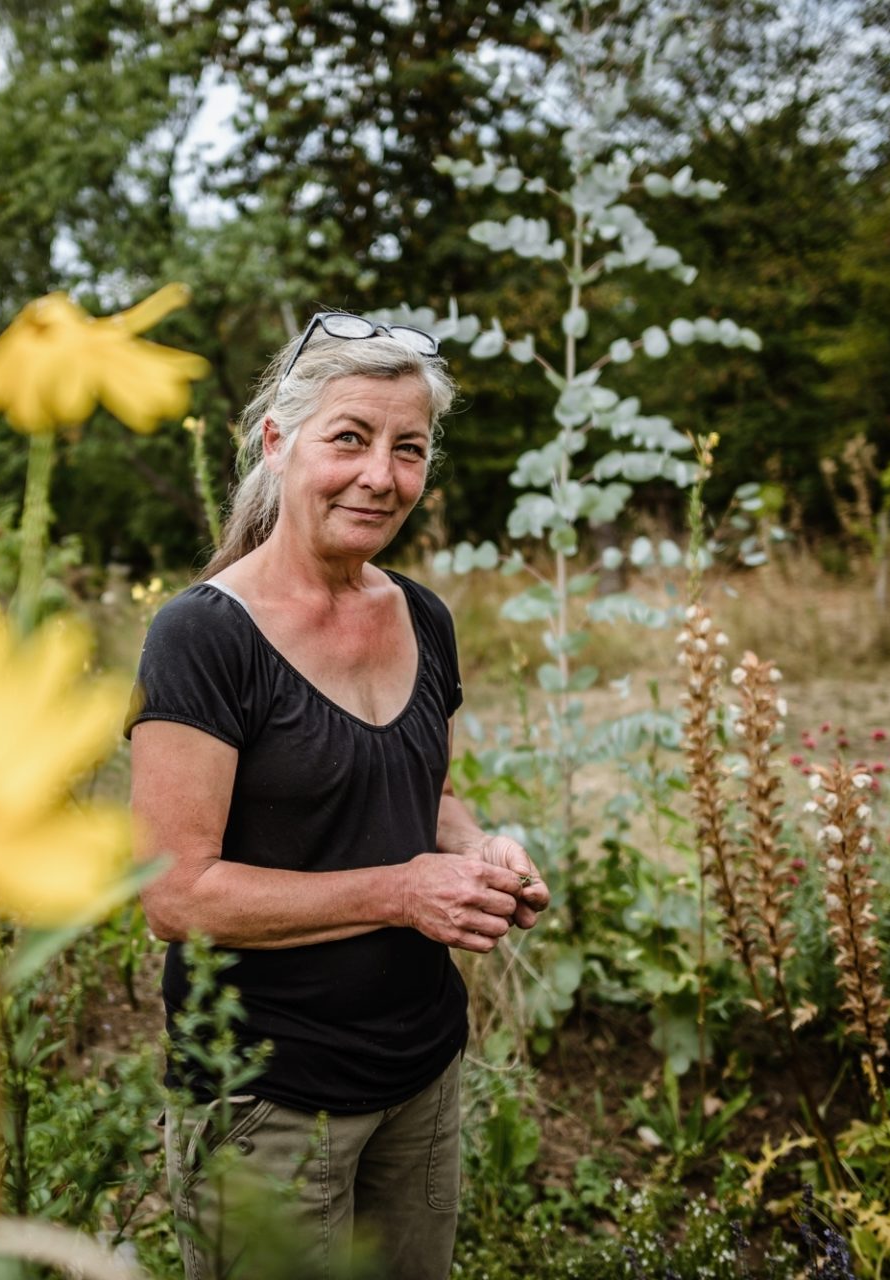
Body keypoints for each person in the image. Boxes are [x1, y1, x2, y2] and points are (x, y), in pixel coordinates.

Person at [128, 313, 550, 1279]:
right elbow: (175, 896)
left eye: (409, 448)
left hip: (423, 1072)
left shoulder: (423, 616)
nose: (382, 475)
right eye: (351, 438)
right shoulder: (204, 638)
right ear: (278, 444)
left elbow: (430, 800)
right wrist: (401, 892)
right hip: (268, 1099)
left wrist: (484, 851)